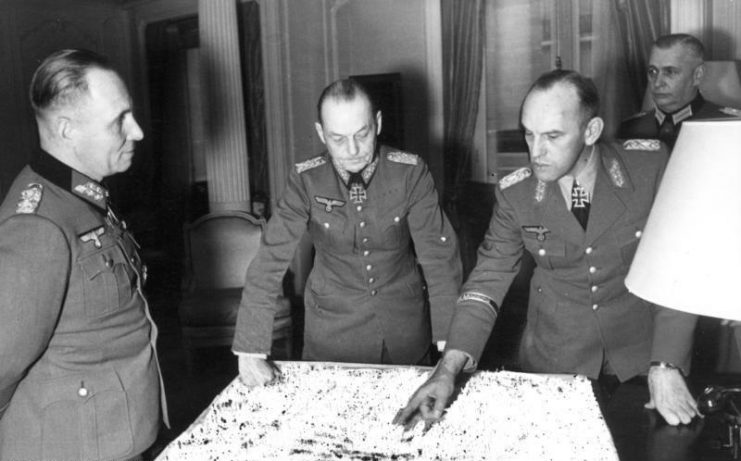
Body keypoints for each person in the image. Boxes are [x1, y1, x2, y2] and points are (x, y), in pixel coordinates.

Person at [394, 70, 699, 429]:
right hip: (556, 363)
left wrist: (666, 362)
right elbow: (486, 282)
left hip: (645, 361)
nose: (535, 152)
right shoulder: (516, 194)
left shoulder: (649, 167)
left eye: (553, 136)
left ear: (591, 131)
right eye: (529, 133)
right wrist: (446, 369)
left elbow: (682, 265)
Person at [233, 78, 462, 386]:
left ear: (377, 123)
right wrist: (250, 347)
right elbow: (270, 258)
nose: (353, 150)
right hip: (331, 335)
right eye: (338, 139)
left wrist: (450, 337)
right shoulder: (306, 180)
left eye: (362, 134)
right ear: (320, 133)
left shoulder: (410, 173)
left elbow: (438, 256)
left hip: (404, 334)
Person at [0, 49, 166, 460]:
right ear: (67, 129)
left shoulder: (84, 198)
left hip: (118, 435)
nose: (139, 132)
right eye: (119, 122)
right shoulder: (37, 226)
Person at [618, 33, 740, 149]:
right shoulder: (631, 129)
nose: (657, 83)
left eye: (670, 72)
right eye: (652, 71)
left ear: (697, 75)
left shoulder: (729, 126)